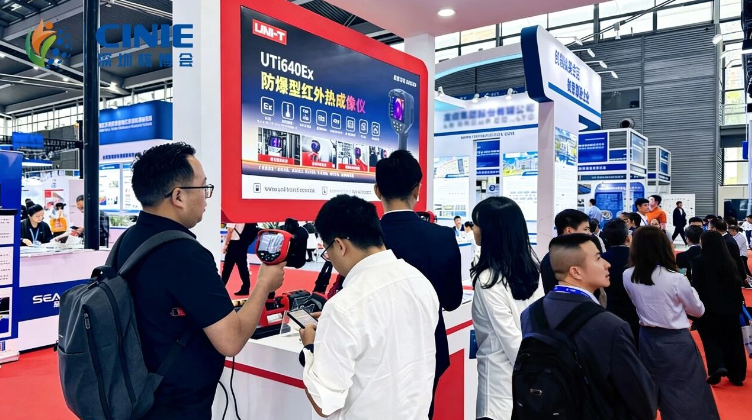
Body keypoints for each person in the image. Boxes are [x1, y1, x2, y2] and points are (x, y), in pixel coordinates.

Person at [110, 142, 285, 419]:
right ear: (178, 196)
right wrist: (264, 284)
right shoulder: (184, 254)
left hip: (132, 393)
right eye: (204, 187)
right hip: (173, 406)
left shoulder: (129, 240)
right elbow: (231, 340)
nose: (206, 197)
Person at [299, 194, 439, 419]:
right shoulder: (419, 281)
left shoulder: (343, 307)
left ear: (340, 245)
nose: (330, 259)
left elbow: (324, 403)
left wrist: (310, 347)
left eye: (327, 252)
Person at [520, 234, 657, 420]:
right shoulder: (611, 326)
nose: (607, 264)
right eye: (598, 258)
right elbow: (642, 400)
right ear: (576, 272)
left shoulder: (530, 314)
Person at [374, 149, 463, 418]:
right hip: (428, 345)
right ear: (418, 189)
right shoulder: (442, 236)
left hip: (376, 346)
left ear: (378, 191)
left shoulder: (364, 239)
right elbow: (452, 301)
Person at [623, 227, 719, 420]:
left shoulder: (628, 275)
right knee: (687, 390)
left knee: (654, 388)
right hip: (676, 340)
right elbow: (698, 310)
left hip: (647, 338)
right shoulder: (675, 278)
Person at [469, 197, 544, 420]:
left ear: (491, 231)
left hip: (500, 385)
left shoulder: (488, 279)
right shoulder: (532, 267)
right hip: (528, 381)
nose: (473, 229)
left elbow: (510, 339)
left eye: (476, 224)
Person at [692, 231, 747, 386]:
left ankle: (717, 366)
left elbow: (696, 286)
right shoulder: (730, 261)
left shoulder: (699, 261)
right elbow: (737, 284)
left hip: (709, 307)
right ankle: (736, 374)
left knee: (710, 338)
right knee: (733, 340)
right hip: (731, 307)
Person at [601, 219, 640, 346]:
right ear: (628, 237)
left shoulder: (602, 259)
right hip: (638, 310)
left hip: (611, 309)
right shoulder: (639, 257)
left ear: (606, 239)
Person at [540, 209, 591, 294]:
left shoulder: (552, 255)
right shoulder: (562, 258)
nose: (589, 234)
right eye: (585, 229)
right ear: (569, 231)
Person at [221, 222, 259, 295]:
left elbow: (230, 231)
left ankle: (221, 288)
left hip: (234, 243)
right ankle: (246, 288)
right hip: (242, 242)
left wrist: (226, 244)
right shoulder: (242, 218)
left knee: (227, 268)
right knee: (242, 267)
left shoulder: (232, 219)